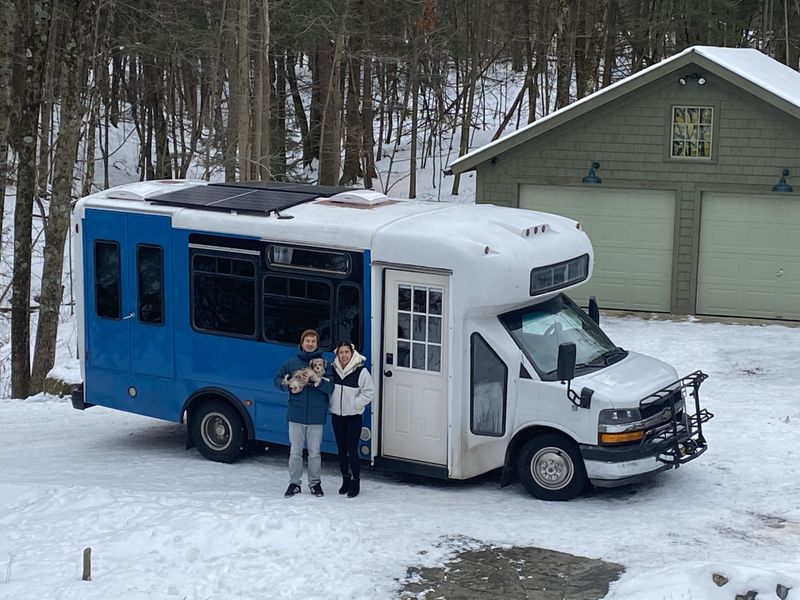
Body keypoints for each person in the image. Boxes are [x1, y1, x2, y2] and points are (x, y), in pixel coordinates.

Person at [274, 329, 333, 498]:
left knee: (315, 454)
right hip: (296, 415)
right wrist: (288, 385)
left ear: (317, 344)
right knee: (295, 453)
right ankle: (294, 483)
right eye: (307, 340)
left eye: (313, 341)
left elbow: (330, 387)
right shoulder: (292, 362)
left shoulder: (324, 363)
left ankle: (315, 484)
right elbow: (277, 379)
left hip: (316, 416)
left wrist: (316, 381)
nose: (310, 344)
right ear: (302, 343)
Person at [330, 341, 374, 498]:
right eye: (341, 352)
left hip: (353, 417)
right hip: (337, 415)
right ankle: (345, 479)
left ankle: (356, 481)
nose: (343, 355)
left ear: (352, 353)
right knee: (341, 449)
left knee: (351, 449)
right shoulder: (332, 369)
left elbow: (369, 392)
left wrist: (356, 404)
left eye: (346, 352)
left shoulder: (361, 371)